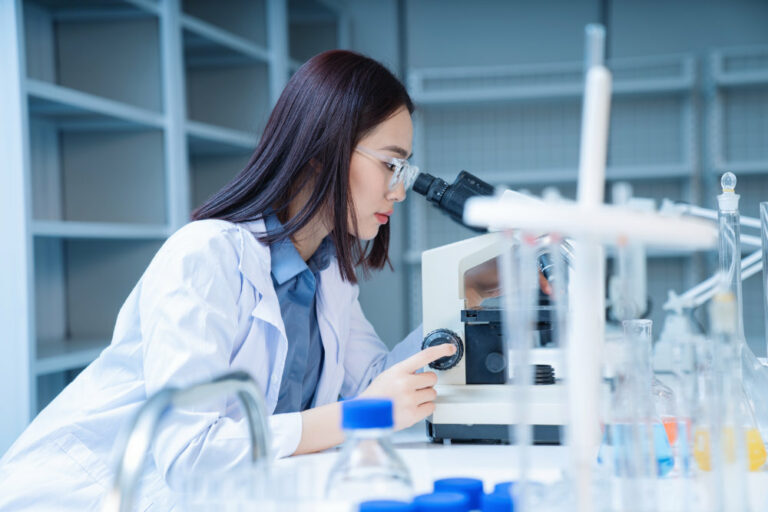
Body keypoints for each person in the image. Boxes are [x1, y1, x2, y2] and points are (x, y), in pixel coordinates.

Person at [0, 49, 455, 511]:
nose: (399, 191)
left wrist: (475, 289)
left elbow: (377, 384)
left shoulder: (327, 273)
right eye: (390, 165)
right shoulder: (204, 256)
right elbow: (189, 452)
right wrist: (357, 416)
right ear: (323, 152)